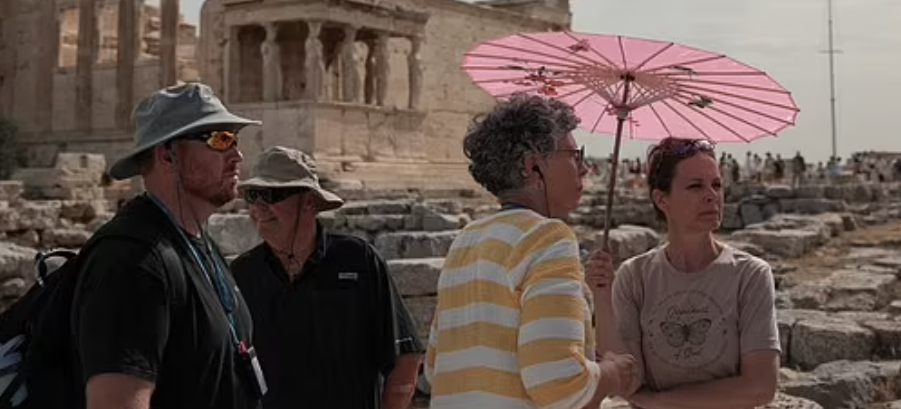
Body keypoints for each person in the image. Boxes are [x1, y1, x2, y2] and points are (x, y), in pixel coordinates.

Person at [424, 93, 638, 409]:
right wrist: (611, 373)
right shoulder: (547, 239)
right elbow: (559, 385)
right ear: (532, 167)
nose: (584, 169)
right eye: (574, 156)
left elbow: (434, 369)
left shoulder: (465, 242)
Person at [71, 82, 264, 409]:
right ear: (167, 156)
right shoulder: (131, 262)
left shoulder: (201, 247)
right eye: (221, 140)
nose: (237, 155)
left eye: (235, 139)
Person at [585, 137, 780, 409]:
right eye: (695, 186)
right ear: (661, 199)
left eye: (716, 184)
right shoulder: (635, 276)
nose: (711, 195)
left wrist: (660, 401)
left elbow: (760, 386)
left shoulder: (750, 275)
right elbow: (626, 382)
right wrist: (602, 298)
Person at [230, 146, 424, 409]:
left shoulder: (358, 261)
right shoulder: (241, 274)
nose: (259, 208)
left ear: (309, 202)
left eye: (271, 195)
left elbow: (405, 357)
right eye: (252, 196)